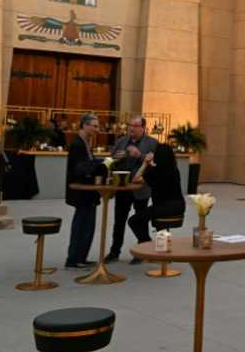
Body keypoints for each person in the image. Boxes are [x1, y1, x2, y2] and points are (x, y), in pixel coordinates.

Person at [106, 117, 158, 264]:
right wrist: (116, 158)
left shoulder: (152, 143)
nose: (132, 129)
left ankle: (141, 252)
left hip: (141, 189)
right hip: (122, 187)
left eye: (135, 126)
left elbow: (155, 165)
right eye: (130, 125)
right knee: (119, 221)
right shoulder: (122, 141)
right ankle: (114, 251)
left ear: (143, 128)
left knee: (140, 221)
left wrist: (139, 155)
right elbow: (111, 161)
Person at [65, 114, 107, 268]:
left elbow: (88, 164)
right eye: (95, 126)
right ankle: (74, 258)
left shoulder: (86, 143)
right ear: (85, 125)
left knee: (88, 226)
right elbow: (81, 168)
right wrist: (102, 164)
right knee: (82, 225)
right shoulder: (78, 144)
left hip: (89, 193)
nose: (97, 129)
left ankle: (81, 257)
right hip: (82, 192)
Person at [128, 144, 185, 247]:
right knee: (157, 217)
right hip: (179, 207)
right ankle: (163, 248)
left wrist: (145, 163)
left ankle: (146, 243)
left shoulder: (155, 171)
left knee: (133, 221)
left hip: (162, 207)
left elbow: (135, 179)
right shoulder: (174, 170)